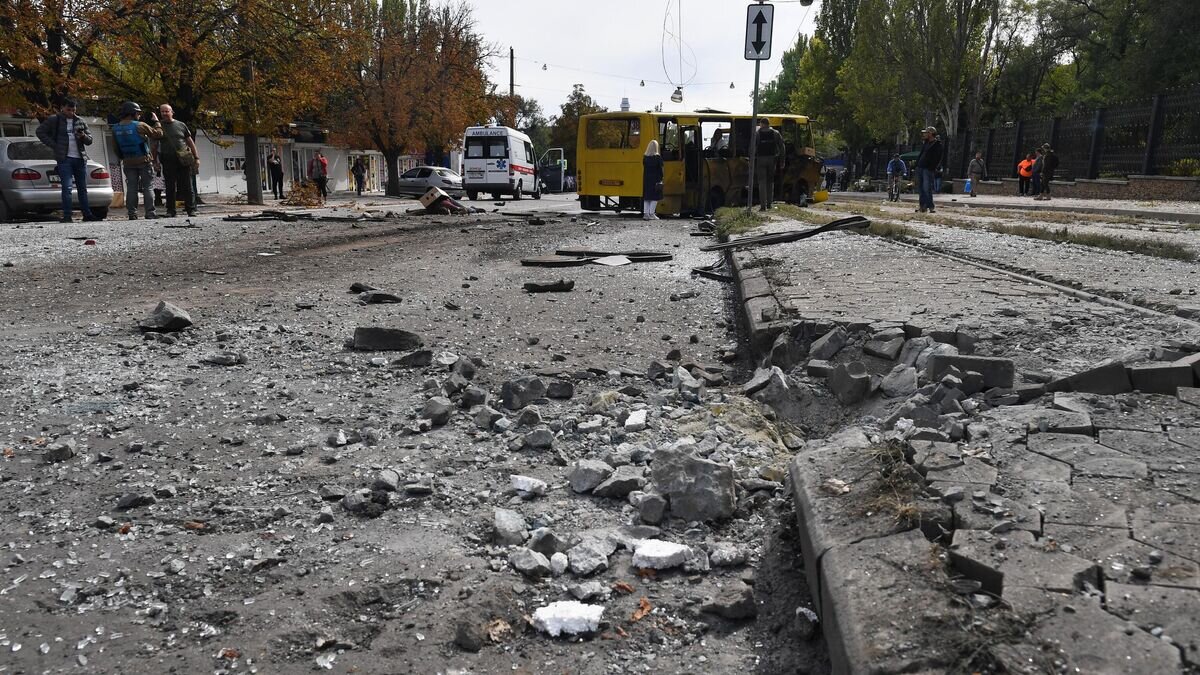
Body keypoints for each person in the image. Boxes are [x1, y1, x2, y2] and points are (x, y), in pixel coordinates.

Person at [35, 98, 100, 222]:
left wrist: (83, 136)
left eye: (73, 110)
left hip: (80, 158)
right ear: (62, 108)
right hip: (64, 159)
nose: (71, 112)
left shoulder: (80, 121)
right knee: (67, 187)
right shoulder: (55, 120)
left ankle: (87, 214)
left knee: (82, 188)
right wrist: (54, 145)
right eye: (68, 110)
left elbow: (90, 140)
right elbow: (40, 131)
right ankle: (67, 215)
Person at [111, 101, 164, 220]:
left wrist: (124, 158)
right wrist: (156, 121)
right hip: (144, 161)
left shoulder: (115, 128)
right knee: (148, 187)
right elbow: (158, 134)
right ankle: (150, 213)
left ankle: (132, 214)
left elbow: (116, 148)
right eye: (138, 113)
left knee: (131, 188)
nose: (139, 115)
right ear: (133, 113)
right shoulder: (140, 125)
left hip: (128, 162)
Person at [153, 104, 199, 217]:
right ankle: (170, 210)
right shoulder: (159, 127)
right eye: (162, 111)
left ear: (172, 112)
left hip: (183, 159)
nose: (164, 113)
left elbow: (190, 142)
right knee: (170, 186)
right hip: (167, 159)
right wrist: (155, 161)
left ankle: (191, 209)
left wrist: (196, 157)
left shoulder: (181, 125)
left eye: (166, 111)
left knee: (187, 186)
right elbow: (154, 145)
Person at [753, 118, 784, 210]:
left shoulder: (757, 133)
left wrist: (751, 160)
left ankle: (763, 206)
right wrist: (782, 161)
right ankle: (769, 204)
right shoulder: (776, 133)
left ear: (762, 124)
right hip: (772, 159)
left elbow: (753, 147)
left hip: (761, 159)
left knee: (762, 182)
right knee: (770, 182)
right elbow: (782, 147)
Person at [914, 126, 942, 213]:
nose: (925, 134)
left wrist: (932, 167)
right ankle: (922, 206)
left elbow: (938, 158)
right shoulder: (925, 143)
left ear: (930, 134)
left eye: (926, 133)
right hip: (920, 167)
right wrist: (916, 164)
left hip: (927, 169)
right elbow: (921, 154)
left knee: (927, 188)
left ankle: (931, 206)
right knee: (920, 188)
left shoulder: (937, 145)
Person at [641, 140, 663, 220]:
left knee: (647, 197)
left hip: (646, 179)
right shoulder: (658, 158)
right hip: (655, 179)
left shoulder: (645, 158)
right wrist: (660, 179)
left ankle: (646, 214)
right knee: (655, 197)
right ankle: (652, 214)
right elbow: (660, 170)